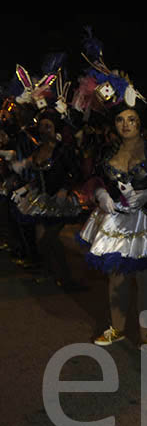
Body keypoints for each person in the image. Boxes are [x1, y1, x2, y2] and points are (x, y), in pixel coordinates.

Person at [74, 46, 147, 354]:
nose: (126, 125)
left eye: (131, 119)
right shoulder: (107, 150)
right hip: (117, 219)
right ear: (114, 124)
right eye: (121, 121)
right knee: (117, 280)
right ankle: (117, 327)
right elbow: (95, 181)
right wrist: (102, 194)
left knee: (146, 281)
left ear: (139, 121)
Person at [10, 64, 85, 291]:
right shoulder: (38, 149)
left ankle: (67, 279)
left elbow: (76, 172)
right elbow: (34, 172)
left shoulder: (64, 150)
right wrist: (22, 181)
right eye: (42, 125)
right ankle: (54, 275)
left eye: (48, 125)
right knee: (44, 243)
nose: (45, 129)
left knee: (48, 240)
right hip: (41, 200)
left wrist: (65, 187)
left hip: (61, 203)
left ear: (56, 127)